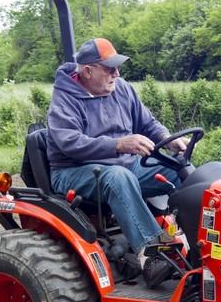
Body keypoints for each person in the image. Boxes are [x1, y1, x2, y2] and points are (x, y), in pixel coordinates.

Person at [46, 38, 185, 265]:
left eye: (118, 67)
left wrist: (166, 139)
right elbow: (70, 143)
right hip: (74, 170)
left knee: (178, 167)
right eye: (110, 69)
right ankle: (153, 258)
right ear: (88, 71)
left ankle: (203, 240)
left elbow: (147, 123)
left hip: (126, 164)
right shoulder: (65, 99)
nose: (117, 74)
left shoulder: (121, 89)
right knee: (118, 178)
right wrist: (118, 145)